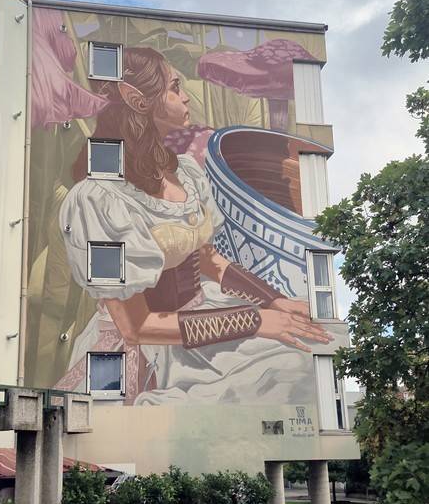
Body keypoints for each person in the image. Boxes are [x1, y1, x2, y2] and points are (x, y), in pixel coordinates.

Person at [60, 47, 331, 405]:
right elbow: (136, 327)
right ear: (139, 101)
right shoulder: (99, 200)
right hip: (152, 348)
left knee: (297, 362)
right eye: (175, 87)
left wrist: (276, 301)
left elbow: (208, 259)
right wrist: (255, 320)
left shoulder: (186, 172)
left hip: (203, 314)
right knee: (280, 373)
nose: (186, 96)